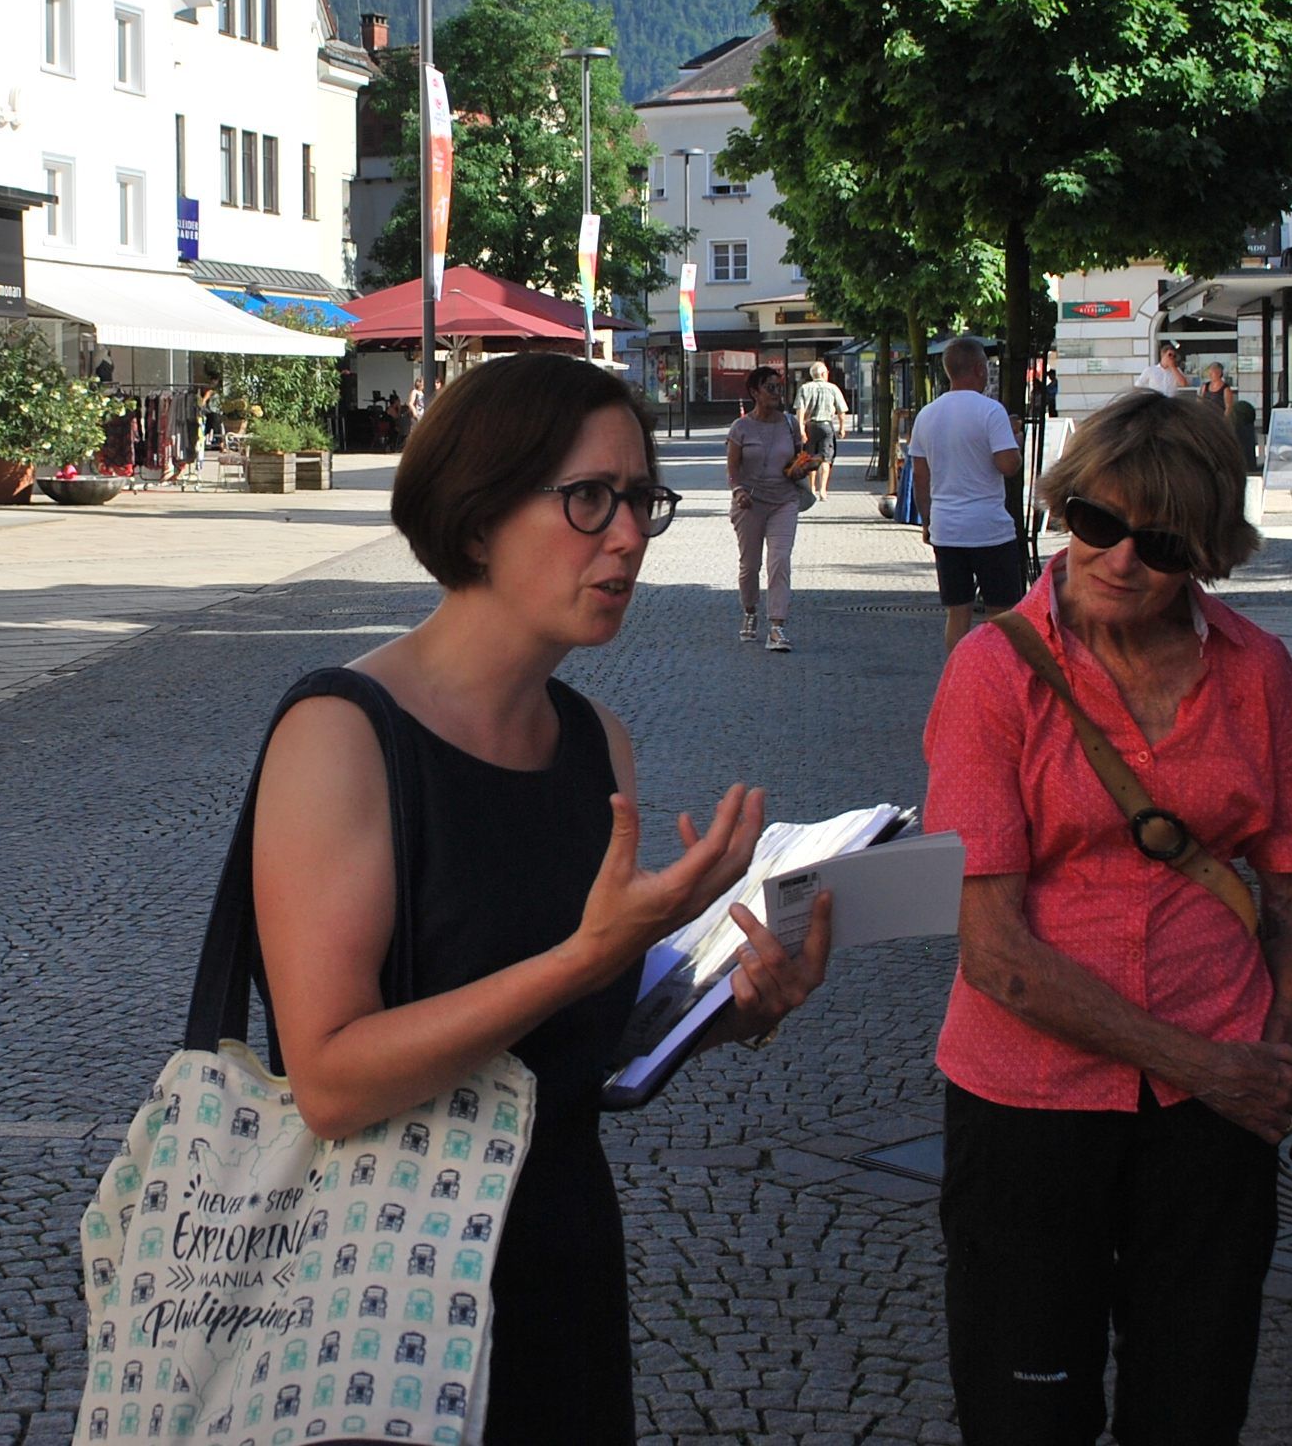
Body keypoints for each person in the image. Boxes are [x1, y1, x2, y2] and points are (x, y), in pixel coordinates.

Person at [249, 353, 832, 1441]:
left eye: (639, 501)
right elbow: (329, 1078)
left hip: (556, 1264)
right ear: (476, 520)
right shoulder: (341, 734)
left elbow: (567, 1052)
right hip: (376, 1289)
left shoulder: (593, 744)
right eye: (587, 500)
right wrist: (588, 953)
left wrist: (718, 1010)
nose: (625, 536)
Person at [924, 390, 1292, 1446]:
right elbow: (997, 954)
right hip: (1031, 1101)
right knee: (1028, 1408)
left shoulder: (1259, 675)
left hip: (1215, 1113)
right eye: (1095, 524)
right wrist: (1207, 1062)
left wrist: (1270, 1060)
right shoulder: (991, 673)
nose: (1117, 558)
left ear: (1206, 549)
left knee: (1193, 1400)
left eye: (1157, 541)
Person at [907, 336, 1025, 654]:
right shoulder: (991, 411)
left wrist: (927, 520)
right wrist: (1016, 439)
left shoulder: (927, 415)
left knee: (957, 612)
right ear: (978, 368)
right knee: (1001, 612)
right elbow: (1008, 465)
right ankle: (996, 678)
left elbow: (920, 474)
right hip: (989, 528)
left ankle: (957, 680)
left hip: (947, 526)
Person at [726, 365, 808, 652]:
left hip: (784, 500)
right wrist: (738, 492)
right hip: (750, 504)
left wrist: (801, 469)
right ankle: (750, 612)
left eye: (778, 387)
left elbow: (797, 457)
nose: (776, 393)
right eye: (770, 387)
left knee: (779, 560)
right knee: (750, 566)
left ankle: (777, 626)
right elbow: (733, 469)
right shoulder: (741, 428)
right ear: (754, 392)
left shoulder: (790, 423)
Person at [791, 359, 851, 499]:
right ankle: (823, 490)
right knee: (825, 458)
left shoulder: (805, 388)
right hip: (826, 425)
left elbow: (800, 409)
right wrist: (842, 428)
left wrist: (801, 429)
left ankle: (811, 488)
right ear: (823, 374)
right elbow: (841, 411)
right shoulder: (833, 388)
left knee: (811, 458)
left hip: (810, 426)